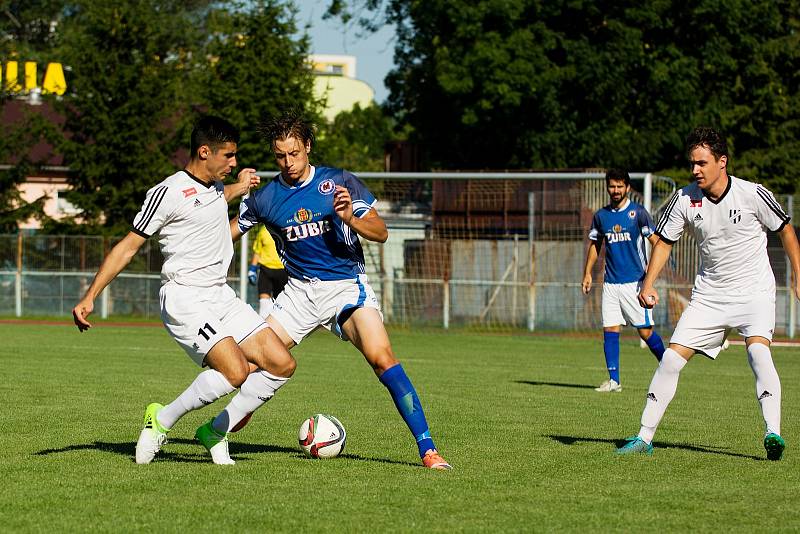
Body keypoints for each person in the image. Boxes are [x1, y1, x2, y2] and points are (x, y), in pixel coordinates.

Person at [227, 109, 451, 470]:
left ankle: (428, 450)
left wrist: (350, 218)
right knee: (249, 361)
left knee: (383, 359)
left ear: (308, 147)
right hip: (300, 293)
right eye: (280, 155)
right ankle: (229, 420)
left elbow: (381, 232)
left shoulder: (339, 182)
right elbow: (229, 233)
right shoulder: (266, 198)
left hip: (347, 287)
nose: (288, 162)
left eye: (294, 153)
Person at [72, 116, 296, 465]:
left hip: (220, 295)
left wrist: (243, 183)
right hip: (185, 298)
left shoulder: (215, 187)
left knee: (281, 364)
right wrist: (90, 296)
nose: (234, 161)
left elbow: (223, 195)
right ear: (204, 152)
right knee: (235, 373)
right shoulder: (168, 192)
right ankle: (161, 419)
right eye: (229, 156)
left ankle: (214, 431)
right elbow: (127, 247)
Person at [616, 127, 800, 460]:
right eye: (692, 163)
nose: (695, 170)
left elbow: (786, 229)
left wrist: (798, 276)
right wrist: (648, 283)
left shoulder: (752, 194)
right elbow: (664, 242)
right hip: (710, 296)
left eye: (701, 163)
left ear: (722, 161)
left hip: (754, 292)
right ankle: (643, 438)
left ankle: (773, 434)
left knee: (759, 354)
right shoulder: (685, 199)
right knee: (670, 359)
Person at [582, 169, 666, 392]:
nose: (616, 190)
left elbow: (658, 242)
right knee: (610, 330)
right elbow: (595, 245)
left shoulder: (638, 213)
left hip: (635, 283)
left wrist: (652, 275)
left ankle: (668, 366)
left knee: (645, 332)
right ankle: (614, 381)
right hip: (610, 284)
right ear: (607, 187)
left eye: (620, 186)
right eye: (612, 186)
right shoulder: (601, 216)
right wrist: (588, 272)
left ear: (627, 187)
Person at [248, 224, 288, 317]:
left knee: (280, 303)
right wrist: (252, 269)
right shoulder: (263, 231)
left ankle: (278, 326)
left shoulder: (286, 229)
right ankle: (263, 326)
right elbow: (258, 251)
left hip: (283, 270)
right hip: (265, 270)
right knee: (264, 302)